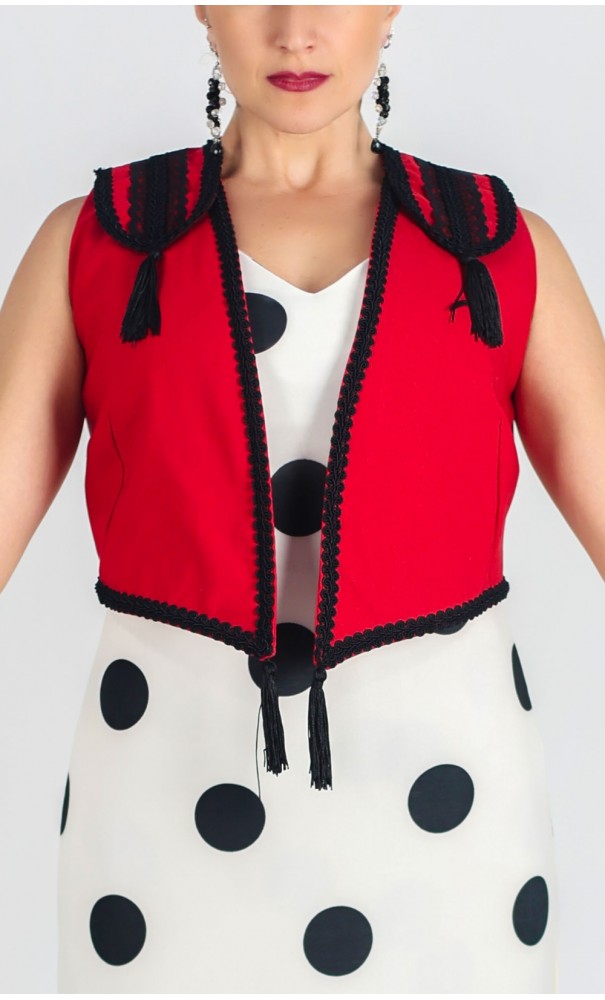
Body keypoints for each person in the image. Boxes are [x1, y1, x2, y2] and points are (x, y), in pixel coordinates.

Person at [1, 4, 604, 993]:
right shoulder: (98, 246)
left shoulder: (498, 251)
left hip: (446, 810)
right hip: (160, 802)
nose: (295, 30)